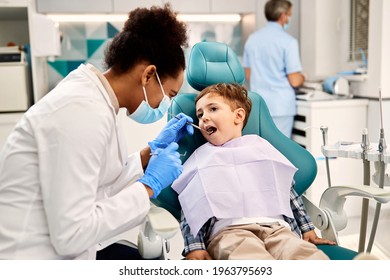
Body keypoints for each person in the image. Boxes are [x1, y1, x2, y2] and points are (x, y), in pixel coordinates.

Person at [0, 4, 194, 260]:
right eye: (169, 95)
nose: (164, 105)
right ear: (148, 74)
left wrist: (148, 155)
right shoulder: (81, 112)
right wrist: (148, 187)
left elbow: (96, 184)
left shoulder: (98, 100)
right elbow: (72, 234)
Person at [171, 83, 335, 260]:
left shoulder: (261, 148)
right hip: (230, 232)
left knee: (306, 256)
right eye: (200, 114)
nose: (204, 118)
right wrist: (195, 247)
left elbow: (287, 191)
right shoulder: (202, 158)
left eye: (213, 109)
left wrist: (307, 228)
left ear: (239, 115)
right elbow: (192, 206)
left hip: (276, 228)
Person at [242, 0, 305, 138]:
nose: (289, 18)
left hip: (258, 105)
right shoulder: (288, 42)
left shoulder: (252, 39)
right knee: (280, 149)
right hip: (281, 107)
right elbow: (294, 80)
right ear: (283, 16)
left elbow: (248, 74)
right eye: (289, 15)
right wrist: (303, 77)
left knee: (261, 147)